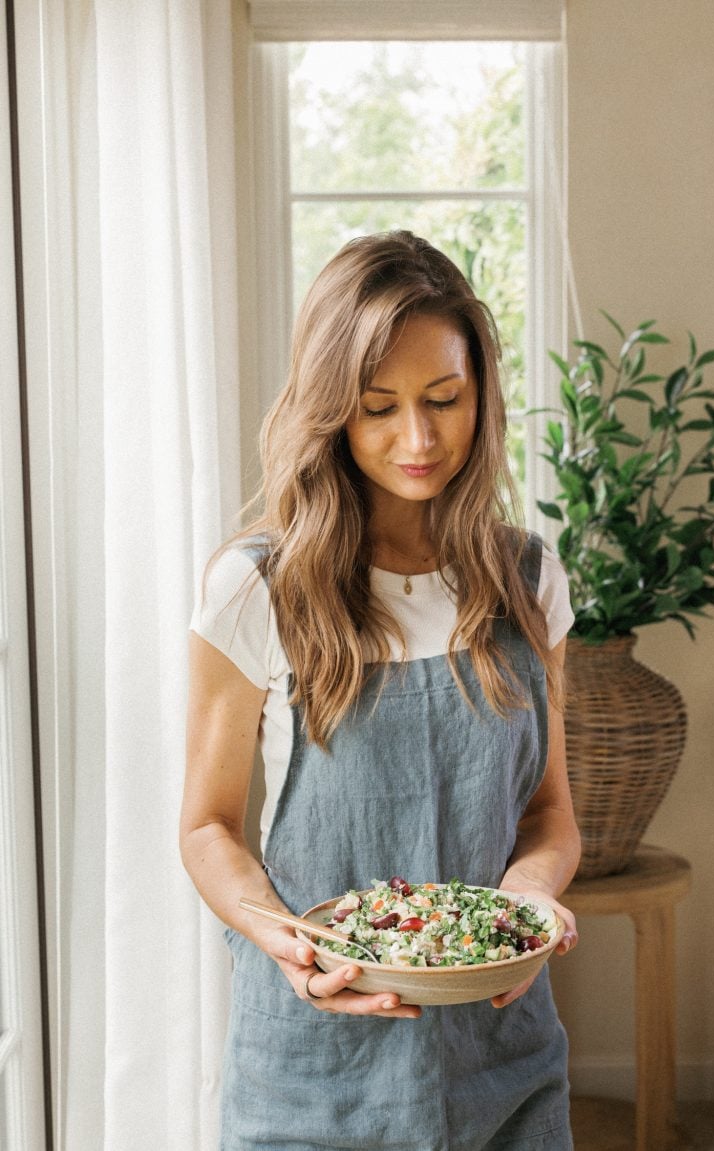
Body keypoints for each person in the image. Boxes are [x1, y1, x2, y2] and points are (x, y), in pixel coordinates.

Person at [181, 230, 581, 1151]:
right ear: (332, 412)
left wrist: (527, 902)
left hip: (501, 1060)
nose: (421, 437)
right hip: (314, 1070)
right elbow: (206, 826)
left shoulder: (528, 579)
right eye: (379, 407)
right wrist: (287, 943)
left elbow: (552, 815)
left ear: (480, 390)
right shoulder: (258, 588)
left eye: (445, 398)